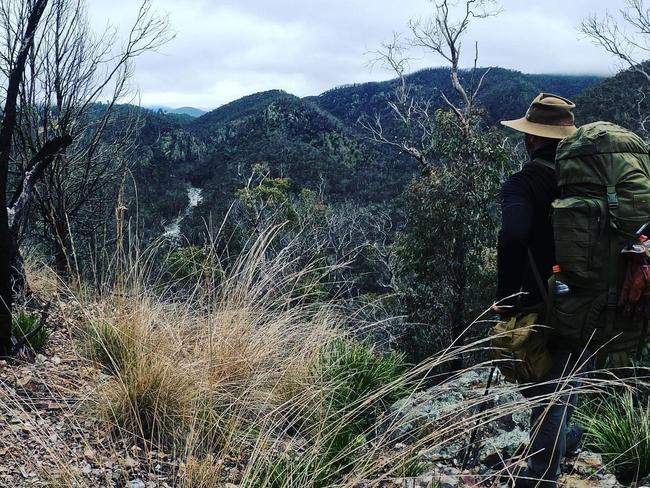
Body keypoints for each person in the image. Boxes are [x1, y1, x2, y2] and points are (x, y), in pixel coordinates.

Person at [495, 93, 585, 487]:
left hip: (544, 298)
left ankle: (540, 477)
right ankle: (566, 443)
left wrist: (506, 297)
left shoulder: (524, 182)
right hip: (596, 294)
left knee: (548, 390)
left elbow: (513, 237)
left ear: (531, 138)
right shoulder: (588, 180)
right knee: (571, 376)